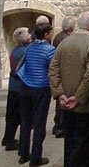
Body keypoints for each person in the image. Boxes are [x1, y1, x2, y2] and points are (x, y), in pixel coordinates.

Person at [49, 11, 89, 167]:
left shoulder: (64, 42)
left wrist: (60, 94)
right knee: (84, 143)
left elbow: (53, 69)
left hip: (66, 102)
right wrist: (78, 97)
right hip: (86, 104)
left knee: (70, 141)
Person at [17, 23, 56, 167]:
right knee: (39, 124)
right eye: (50, 32)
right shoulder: (50, 50)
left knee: (26, 121)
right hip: (41, 88)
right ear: (46, 35)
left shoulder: (30, 47)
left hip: (25, 86)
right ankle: (35, 158)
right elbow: (53, 69)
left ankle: (23, 154)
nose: (51, 34)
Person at [1, 27, 31, 151]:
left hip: (13, 86)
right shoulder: (24, 51)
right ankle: (10, 142)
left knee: (11, 115)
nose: (30, 35)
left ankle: (8, 138)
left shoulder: (15, 51)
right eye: (28, 34)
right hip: (19, 87)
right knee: (16, 116)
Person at [52, 17, 75, 138]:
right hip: (65, 72)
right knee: (64, 101)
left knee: (59, 101)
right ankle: (61, 127)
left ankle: (57, 125)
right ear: (71, 27)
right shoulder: (69, 39)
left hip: (59, 72)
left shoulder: (57, 37)